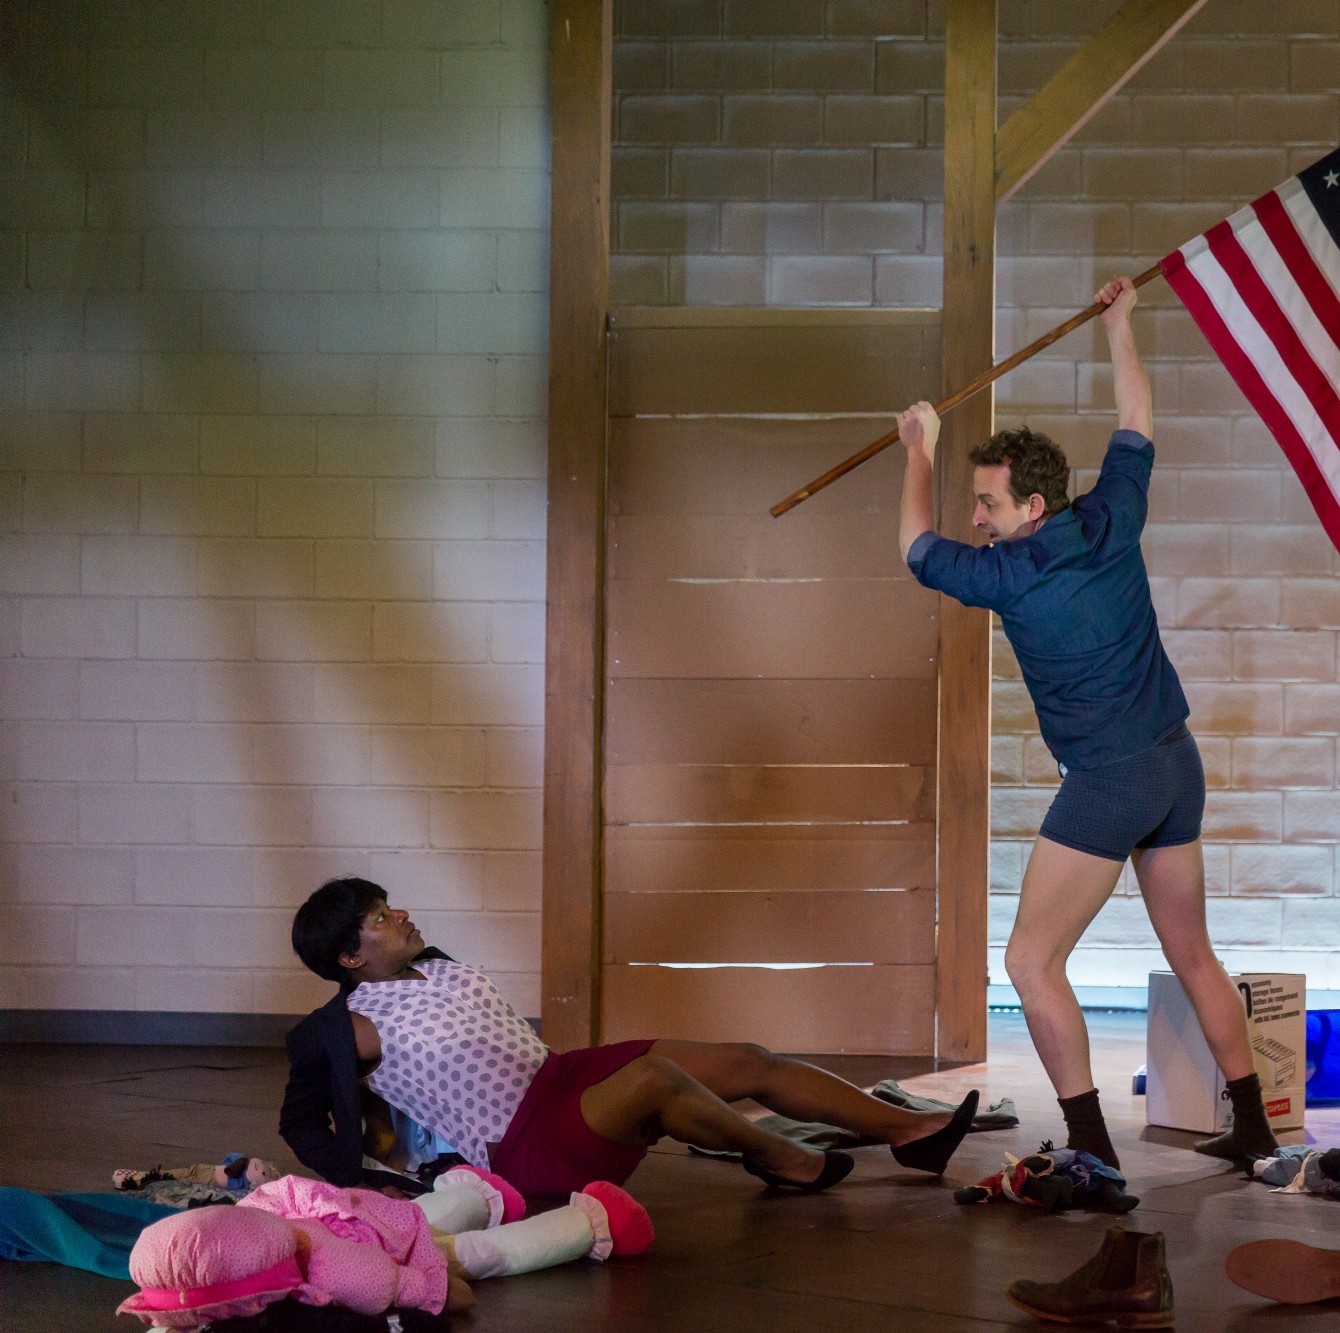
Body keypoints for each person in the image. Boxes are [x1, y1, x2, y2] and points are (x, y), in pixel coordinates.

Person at [895, 275, 1277, 1169]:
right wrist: (1122, 323)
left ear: (1032, 507)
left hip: (1111, 781)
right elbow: (1137, 419)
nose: (977, 521)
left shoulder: (1009, 573)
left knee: (1030, 961)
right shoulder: (1110, 516)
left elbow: (914, 547)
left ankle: (1092, 1152)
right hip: (1175, 765)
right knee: (1194, 955)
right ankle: (1255, 1125)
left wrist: (919, 447)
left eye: (987, 504)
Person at [280, 877, 978, 1199]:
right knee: (656, 1082)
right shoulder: (345, 1030)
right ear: (348, 956)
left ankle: (911, 1131)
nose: (399, 912)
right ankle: (779, 1156)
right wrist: (362, 1183)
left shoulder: (431, 964)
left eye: (388, 902)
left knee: (745, 1060)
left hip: (561, 1076)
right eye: (379, 914)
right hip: (526, 1143)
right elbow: (299, 1118)